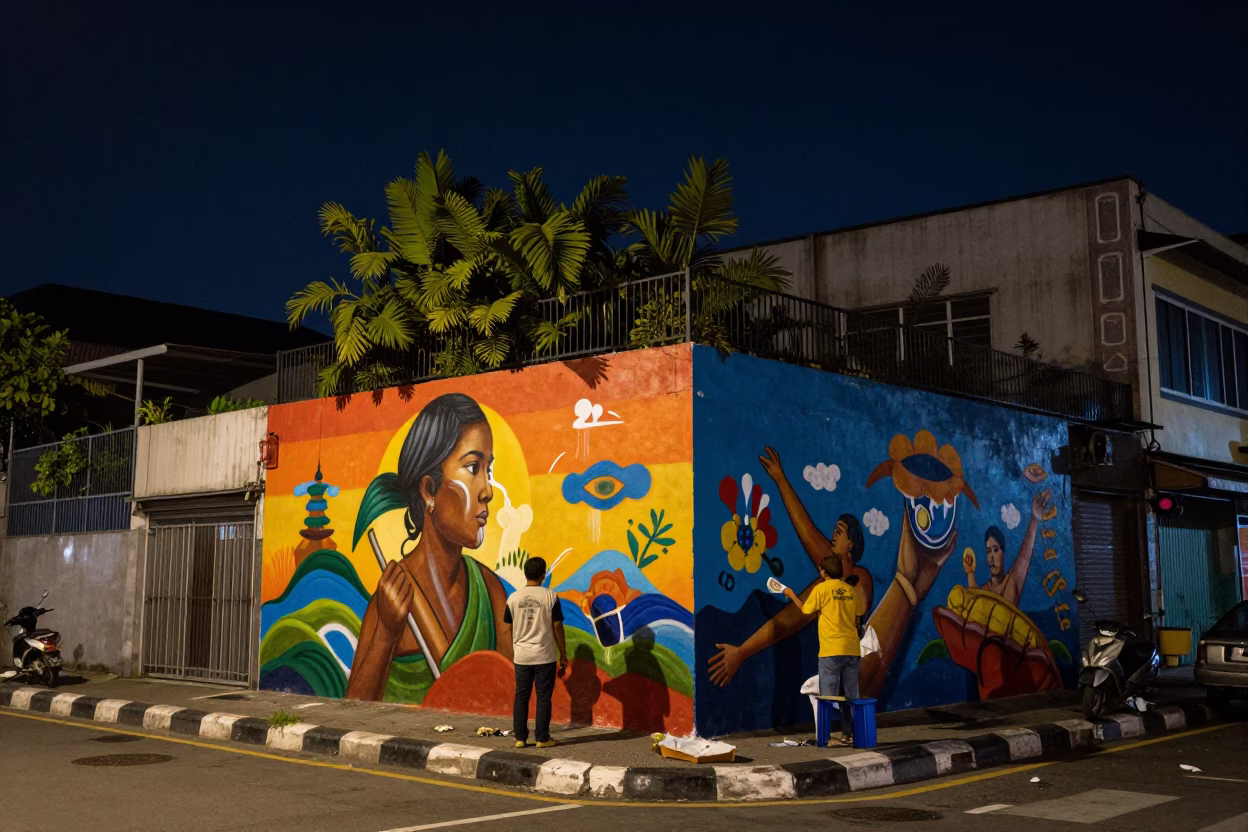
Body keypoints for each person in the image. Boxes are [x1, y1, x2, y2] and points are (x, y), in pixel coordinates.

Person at [347, 393, 513, 702]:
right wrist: (386, 630)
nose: (488, 491)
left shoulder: (490, 592)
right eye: (473, 467)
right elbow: (354, 707)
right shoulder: (393, 596)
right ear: (429, 490)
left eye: (487, 471)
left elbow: (514, 693)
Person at [708, 446, 871, 689]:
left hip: (840, 654)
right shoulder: (833, 580)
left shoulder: (856, 578)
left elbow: (799, 613)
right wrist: (781, 480)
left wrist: (742, 652)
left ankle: (842, 723)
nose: (832, 538)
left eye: (838, 533)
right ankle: (846, 724)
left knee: (834, 697)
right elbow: (809, 535)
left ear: (851, 544)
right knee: (842, 698)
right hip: (837, 653)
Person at [783, 555, 859, 744]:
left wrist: (791, 594)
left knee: (827, 696)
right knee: (851, 695)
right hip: (852, 648)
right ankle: (850, 734)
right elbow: (857, 618)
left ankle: (824, 738)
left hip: (831, 650)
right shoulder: (850, 590)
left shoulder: (821, 589)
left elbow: (805, 610)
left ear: (824, 572)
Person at [505, 556, 568, 748]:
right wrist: (563, 653)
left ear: (525, 574)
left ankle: (520, 738)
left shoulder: (513, 598)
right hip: (544, 656)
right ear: (543, 574)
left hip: (522, 656)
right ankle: (542, 738)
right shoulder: (550, 596)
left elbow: (508, 627)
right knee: (543, 697)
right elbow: (557, 626)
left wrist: (514, 649)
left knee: (521, 697)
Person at [963, 489, 1051, 606]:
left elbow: (1025, 556)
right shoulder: (984, 591)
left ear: (1003, 553)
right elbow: (975, 608)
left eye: (995, 550)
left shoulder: (1012, 582)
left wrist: (1034, 519)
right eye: (988, 551)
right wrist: (970, 573)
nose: (991, 557)